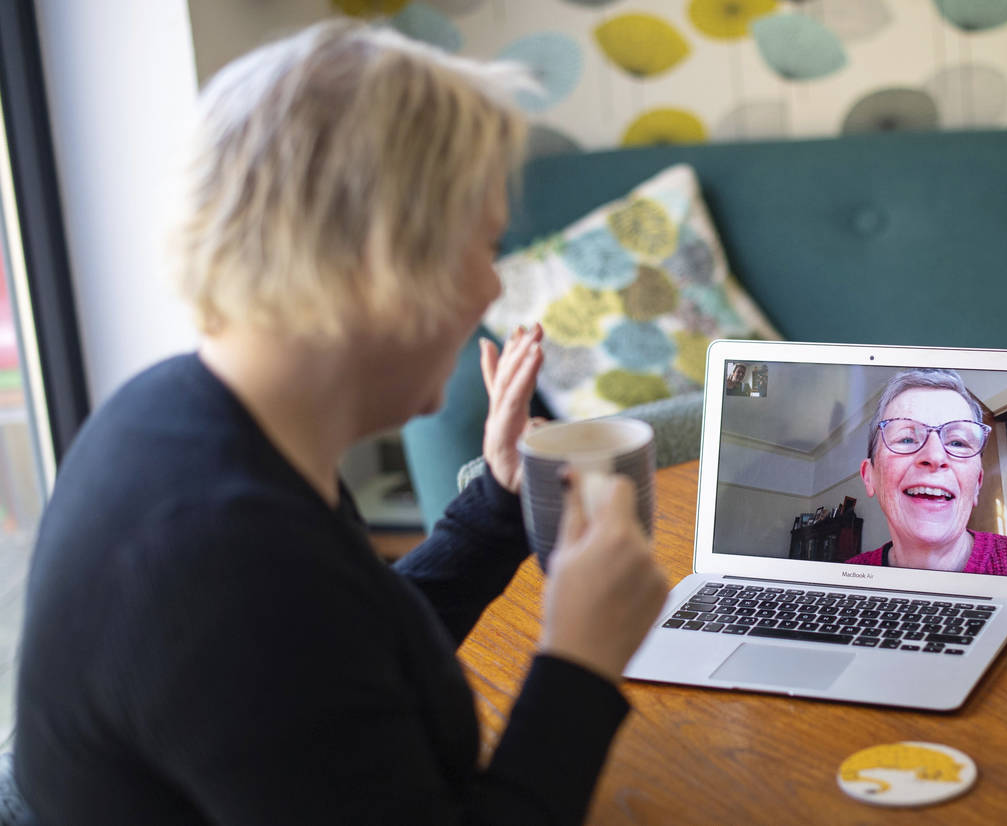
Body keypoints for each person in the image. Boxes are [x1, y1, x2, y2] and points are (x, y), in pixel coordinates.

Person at [15, 20, 667, 825]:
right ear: (386, 258)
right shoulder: (220, 565)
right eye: (484, 245)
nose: (491, 291)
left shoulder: (182, 414)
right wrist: (578, 660)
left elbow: (341, 667)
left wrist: (499, 498)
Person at [845, 369, 1007, 575]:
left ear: (978, 482)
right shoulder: (844, 582)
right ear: (869, 476)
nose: (935, 456)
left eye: (957, 442)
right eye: (906, 439)